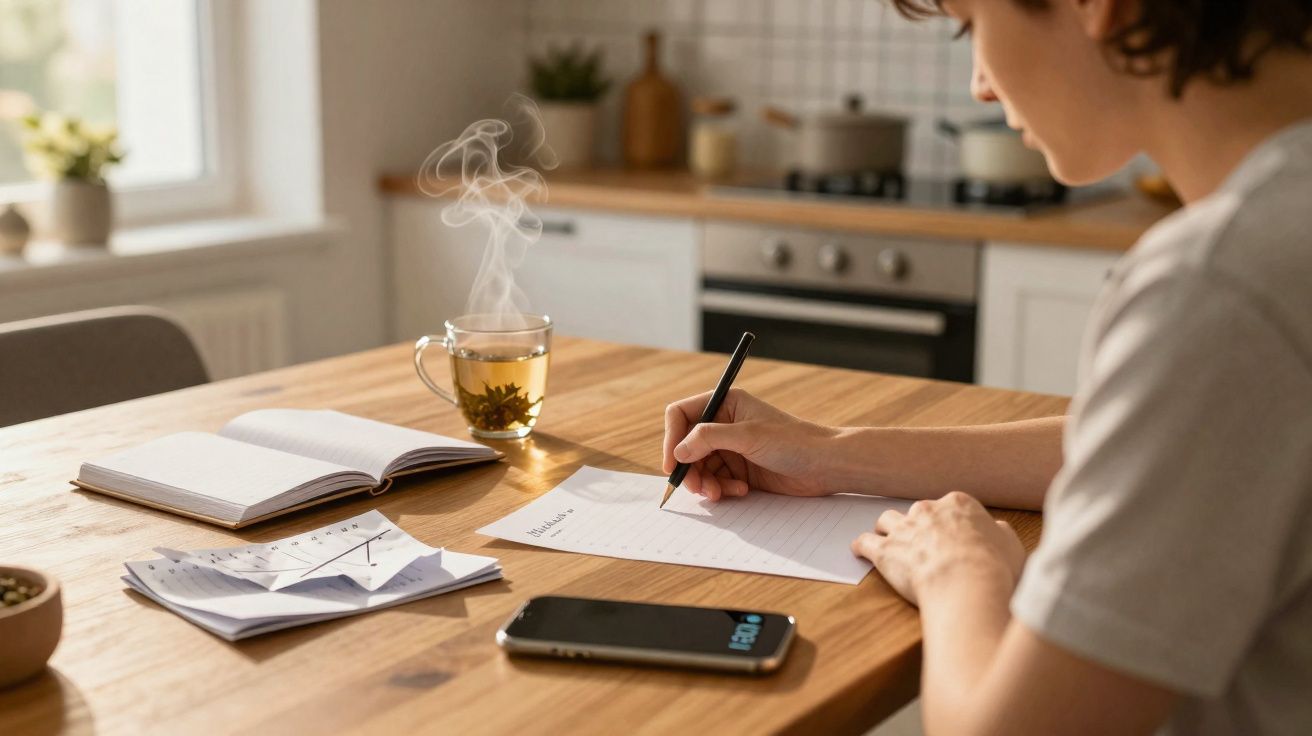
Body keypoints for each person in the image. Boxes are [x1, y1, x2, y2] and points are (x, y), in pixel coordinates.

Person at [661, 1, 1312, 733]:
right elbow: (1165, 444)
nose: (979, 86)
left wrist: (960, 575)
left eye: (972, 24)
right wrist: (829, 455)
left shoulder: (1219, 286)